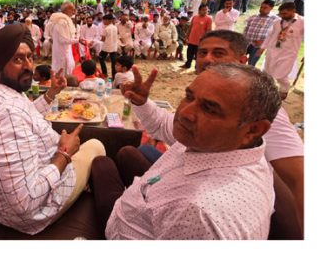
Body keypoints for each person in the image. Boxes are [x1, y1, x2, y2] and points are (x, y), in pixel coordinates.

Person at [92, 63, 281, 239]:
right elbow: (162, 124)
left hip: (121, 230)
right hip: (143, 202)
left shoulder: (197, 213)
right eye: (189, 96)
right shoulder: (226, 143)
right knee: (122, 155)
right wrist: (141, 103)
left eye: (209, 108)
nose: (184, 113)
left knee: (100, 162)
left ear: (253, 129)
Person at [0, 24, 106, 235]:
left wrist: (51, 94)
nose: (29, 66)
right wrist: (64, 155)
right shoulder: (5, 117)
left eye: (30, 57)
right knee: (96, 145)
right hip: (34, 213)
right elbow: (25, 202)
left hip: (10, 199)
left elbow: (26, 114)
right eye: (18, 59)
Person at [155, 29, 306, 226]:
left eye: (218, 53)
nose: (207, 59)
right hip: (187, 172)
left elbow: (300, 177)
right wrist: (141, 104)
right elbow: (170, 128)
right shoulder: (204, 91)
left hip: (208, 193)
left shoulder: (257, 108)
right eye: (202, 53)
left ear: (242, 60)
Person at [261, 2, 304, 99]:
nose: (282, 16)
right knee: (267, 73)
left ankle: (284, 90)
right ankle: (267, 91)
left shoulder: (302, 22)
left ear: (293, 11)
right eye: (281, 14)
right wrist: (263, 47)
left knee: (281, 75)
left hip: (288, 53)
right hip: (273, 51)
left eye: (285, 14)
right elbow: (270, 35)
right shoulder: (277, 21)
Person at [243, 0, 279, 66]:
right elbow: (246, 30)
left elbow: (275, 35)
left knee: (251, 64)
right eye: (261, 7)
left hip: (258, 46)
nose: (262, 9)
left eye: (265, 8)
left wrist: (264, 43)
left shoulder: (275, 19)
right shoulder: (253, 17)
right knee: (239, 60)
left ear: (271, 8)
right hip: (246, 43)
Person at [50, 1, 82, 76]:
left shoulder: (64, 20)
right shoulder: (61, 21)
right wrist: (77, 40)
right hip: (62, 51)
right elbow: (62, 40)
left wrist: (76, 38)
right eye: (73, 9)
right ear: (67, 10)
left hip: (65, 49)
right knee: (62, 70)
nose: (74, 12)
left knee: (67, 68)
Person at [182, 4, 212, 69]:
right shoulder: (195, 17)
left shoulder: (208, 19)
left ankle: (197, 67)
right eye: (203, 10)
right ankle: (187, 64)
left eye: (206, 10)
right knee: (189, 53)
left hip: (200, 41)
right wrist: (187, 36)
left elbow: (208, 31)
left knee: (198, 55)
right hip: (191, 39)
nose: (205, 11)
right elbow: (190, 27)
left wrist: (206, 40)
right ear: (199, 10)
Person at [98, 14, 119, 79]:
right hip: (114, 46)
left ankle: (105, 73)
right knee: (113, 62)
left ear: (108, 20)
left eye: (104, 20)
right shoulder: (115, 27)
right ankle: (114, 76)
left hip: (106, 47)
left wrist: (99, 40)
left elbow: (103, 39)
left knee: (101, 58)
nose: (103, 22)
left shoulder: (106, 28)